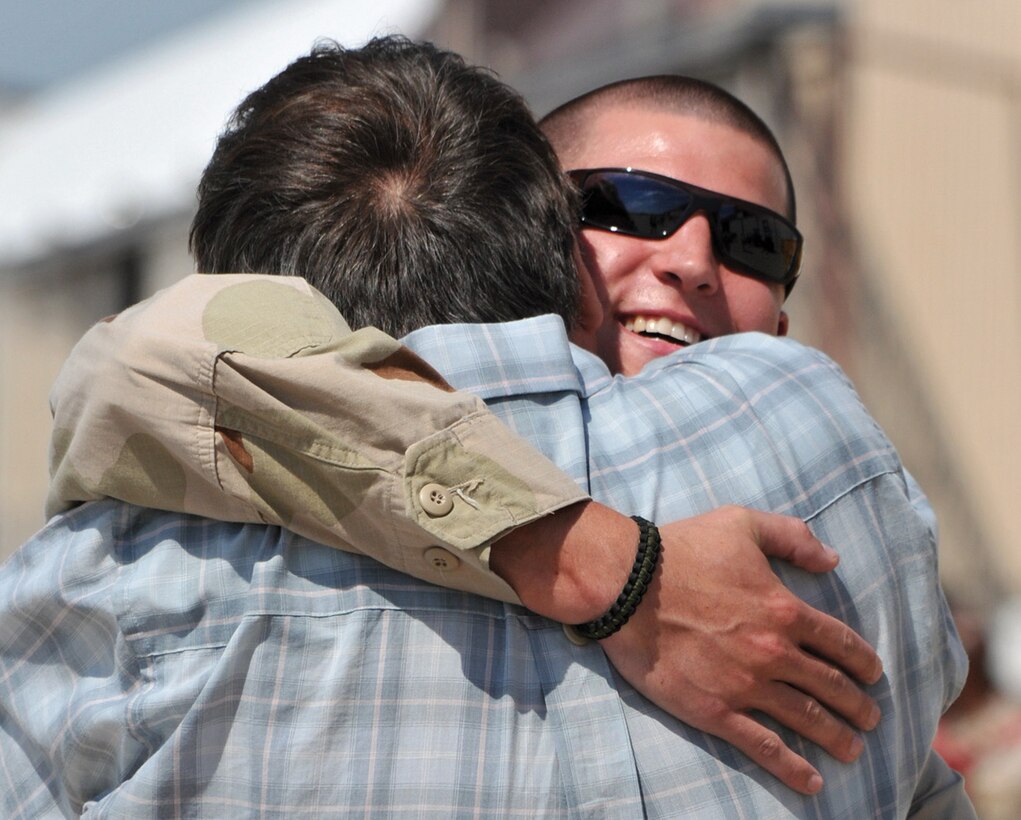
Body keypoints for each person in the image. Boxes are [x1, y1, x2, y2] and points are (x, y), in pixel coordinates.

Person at [0, 38, 971, 817]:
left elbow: (140, 367)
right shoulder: (834, 451)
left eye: (755, 239)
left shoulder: (137, 567)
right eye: (626, 204)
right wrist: (604, 563)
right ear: (529, 225)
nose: (690, 258)